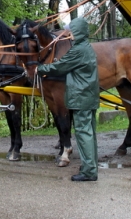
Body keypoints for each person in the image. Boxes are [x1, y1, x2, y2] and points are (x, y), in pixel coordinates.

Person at [36, 17, 99, 182]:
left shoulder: (78, 50)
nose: (68, 34)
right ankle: (90, 166)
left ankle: (89, 172)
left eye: (71, 31)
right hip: (88, 96)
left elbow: (60, 66)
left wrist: (40, 69)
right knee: (89, 133)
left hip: (81, 97)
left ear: (77, 32)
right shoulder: (86, 47)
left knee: (83, 133)